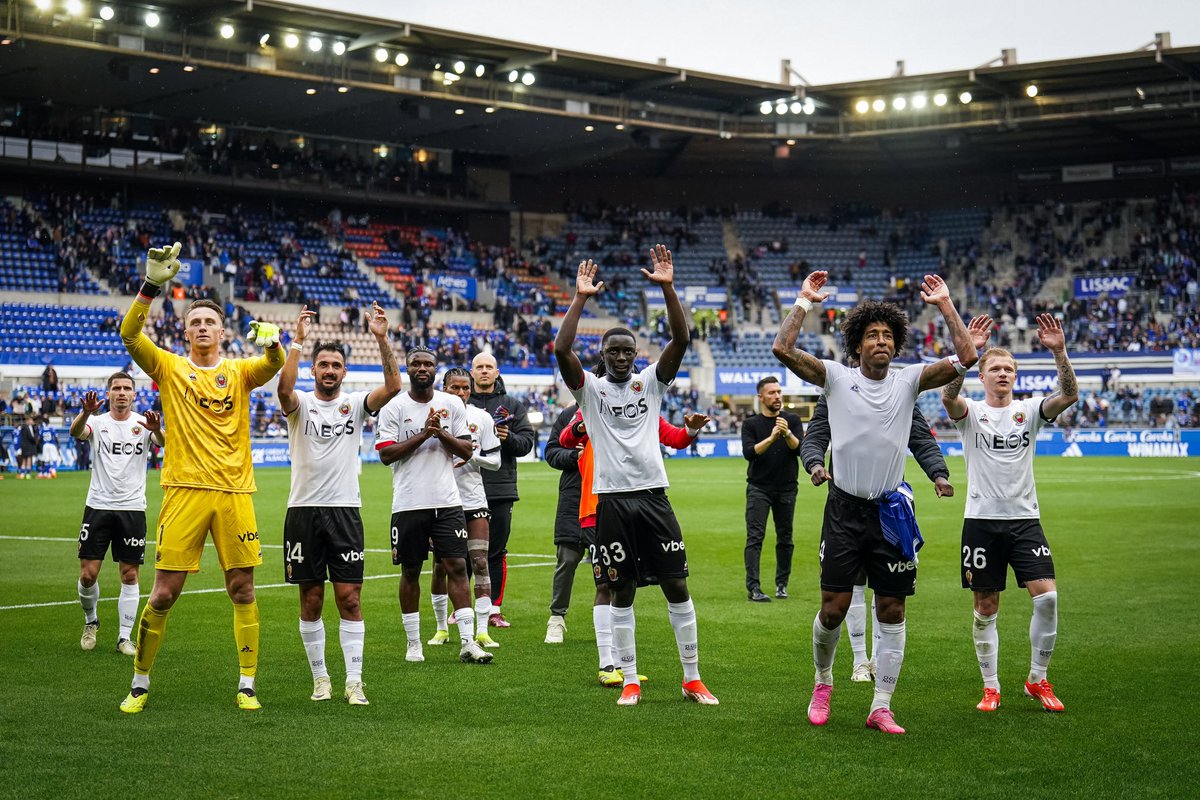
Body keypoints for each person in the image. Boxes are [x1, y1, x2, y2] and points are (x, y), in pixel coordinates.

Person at [772, 269, 977, 734]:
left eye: (887, 334)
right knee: (834, 608)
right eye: (872, 335)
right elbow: (783, 350)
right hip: (844, 511)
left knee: (892, 610)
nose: (881, 340)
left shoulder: (908, 382)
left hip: (890, 512)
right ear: (857, 345)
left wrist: (944, 304)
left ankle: (881, 704)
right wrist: (804, 301)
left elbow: (968, 356)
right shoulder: (837, 380)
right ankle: (823, 681)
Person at [118, 241, 286, 714]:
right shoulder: (170, 367)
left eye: (210, 321)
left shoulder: (239, 371)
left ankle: (247, 683)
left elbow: (274, 363)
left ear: (223, 330)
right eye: (195, 322)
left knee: (243, 589)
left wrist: (273, 339)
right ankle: (140, 681)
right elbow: (130, 337)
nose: (202, 327)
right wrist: (152, 286)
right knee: (164, 593)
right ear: (186, 331)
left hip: (235, 494)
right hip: (185, 492)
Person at [554, 247, 719, 707]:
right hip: (611, 502)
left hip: (653, 498)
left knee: (677, 586)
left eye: (628, 350)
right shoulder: (590, 391)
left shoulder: (651, 383)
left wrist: (668, 288)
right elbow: (561, 348)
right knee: (621, 590)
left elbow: (681, 341)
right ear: (603, 356)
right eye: (614, 351)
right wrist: (581, 299)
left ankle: (692, 677)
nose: (622, 357)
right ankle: (629, 679)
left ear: (636, 355)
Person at [942, 313, 1077, 713]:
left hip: (1024, 520)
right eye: (995, 368)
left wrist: (1059, 351)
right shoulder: (970, 413)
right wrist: (968, 355)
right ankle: (990, 686)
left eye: (1009, 369)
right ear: (982, 377)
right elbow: (948, 397)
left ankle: (1037, 679)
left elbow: (1068, 395)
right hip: (981, 521)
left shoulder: (1030, 410)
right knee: (986, 607)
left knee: (1048, 598)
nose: (1003, 374)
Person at [277, 303, 401, 706]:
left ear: (344, 372)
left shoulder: (355, 404)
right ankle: (320, 679)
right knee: (311, 599)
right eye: (323, 364)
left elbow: (394, 388)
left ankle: (354, 681)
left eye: (336, 365)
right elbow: (283, 390)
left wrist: (382, 338)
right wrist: (297, 341)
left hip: (346, 512)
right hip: (303, 512)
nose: (329, 370)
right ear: (314, 370)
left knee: (350, 597)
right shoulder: (300, 405)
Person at [557, 389, 709, 685]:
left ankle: (623, 665)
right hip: (598, 506)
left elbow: (675, 438)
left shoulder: (643, 410)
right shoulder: (592, 406)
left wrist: (690, 429)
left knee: (634, 584)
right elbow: (565, 439)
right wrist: (581, 425)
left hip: (641, 503)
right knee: (607, 583)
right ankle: (607, 664)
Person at [803, 394, 954, 682]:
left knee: (890, 600)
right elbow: (816, 435)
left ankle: (876, 671)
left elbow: (920, 438)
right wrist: (814, 462)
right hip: (844, 510)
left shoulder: (900, 392)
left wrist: (938, 473)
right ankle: (857, 661)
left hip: (890, 510)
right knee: (843, 595)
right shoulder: (836, 391)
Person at [374, 347, 493, 665]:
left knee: (456, 567)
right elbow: (385, 454)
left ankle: (468, 641)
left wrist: (439, 432)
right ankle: (414, 643)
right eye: (416, 364)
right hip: (409, 503)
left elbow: (467, 449)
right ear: (409, 369)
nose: (422, 368)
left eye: (428, 364)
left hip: (448, 502)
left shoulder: (452, 404)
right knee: (411, 570)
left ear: (435, 369)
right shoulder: (394, 406)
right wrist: (425, 433)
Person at [69, 374, 164, 655]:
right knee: (88, 575)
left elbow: (163, 443)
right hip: (98, 506)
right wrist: (86, 411)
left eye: (127, 389)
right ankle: (91, 621)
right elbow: (76, 432)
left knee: (130, 574)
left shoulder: (142, 424)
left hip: (133, 509)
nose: (121, 393)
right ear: (108, 393)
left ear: (134, 394)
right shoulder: (97, 423)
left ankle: (124, 637)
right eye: (116, 388)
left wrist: (157, 429)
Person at [428, 368, 503, 650]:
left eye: (464, 388)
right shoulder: (432, 414)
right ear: (443, 388)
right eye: (454, 388)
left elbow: (495, 462)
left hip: (473, 500)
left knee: (480, 562)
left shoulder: (481, 418)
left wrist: (472, 456)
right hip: (441, 501)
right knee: (441, 567)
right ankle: (440, 628)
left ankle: (482, 631)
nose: (460, 393)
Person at [468, 352, 536, 628]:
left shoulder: (512, 405)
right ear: (472, 372)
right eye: (479, 367)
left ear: (497, 373)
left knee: (495, 552)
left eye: (489, 367)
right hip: (462, 488)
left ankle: (493, 609)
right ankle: (460, 608)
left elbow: (527, 443)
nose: (484, 371)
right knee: (459, 553)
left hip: (500, 489)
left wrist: (508, 440)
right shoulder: (460, 402)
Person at [740, 376, 803, 603]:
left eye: (779, 392)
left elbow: (800, 450)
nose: (777, 396)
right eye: (772, 393)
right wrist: (772, 437)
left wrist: (786, 434)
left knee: (785, 538)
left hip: (787, 489)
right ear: (760, 397)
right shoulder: (751, 424)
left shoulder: (791, 420)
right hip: (759, 488)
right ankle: (754, 588)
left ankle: (781, 585)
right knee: (755, 538)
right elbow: (750, 452)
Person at [18, 414, 39, 480]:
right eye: (31, 420)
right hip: (28, 445)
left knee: (24, 459)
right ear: (28, 420)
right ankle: (27, 474)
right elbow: (30, 437)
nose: (32, 421)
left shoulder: (24, 427)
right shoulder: (26, 428)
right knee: (29, 459)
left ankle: (22, 474)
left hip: (25, 445)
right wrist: (35, 441)